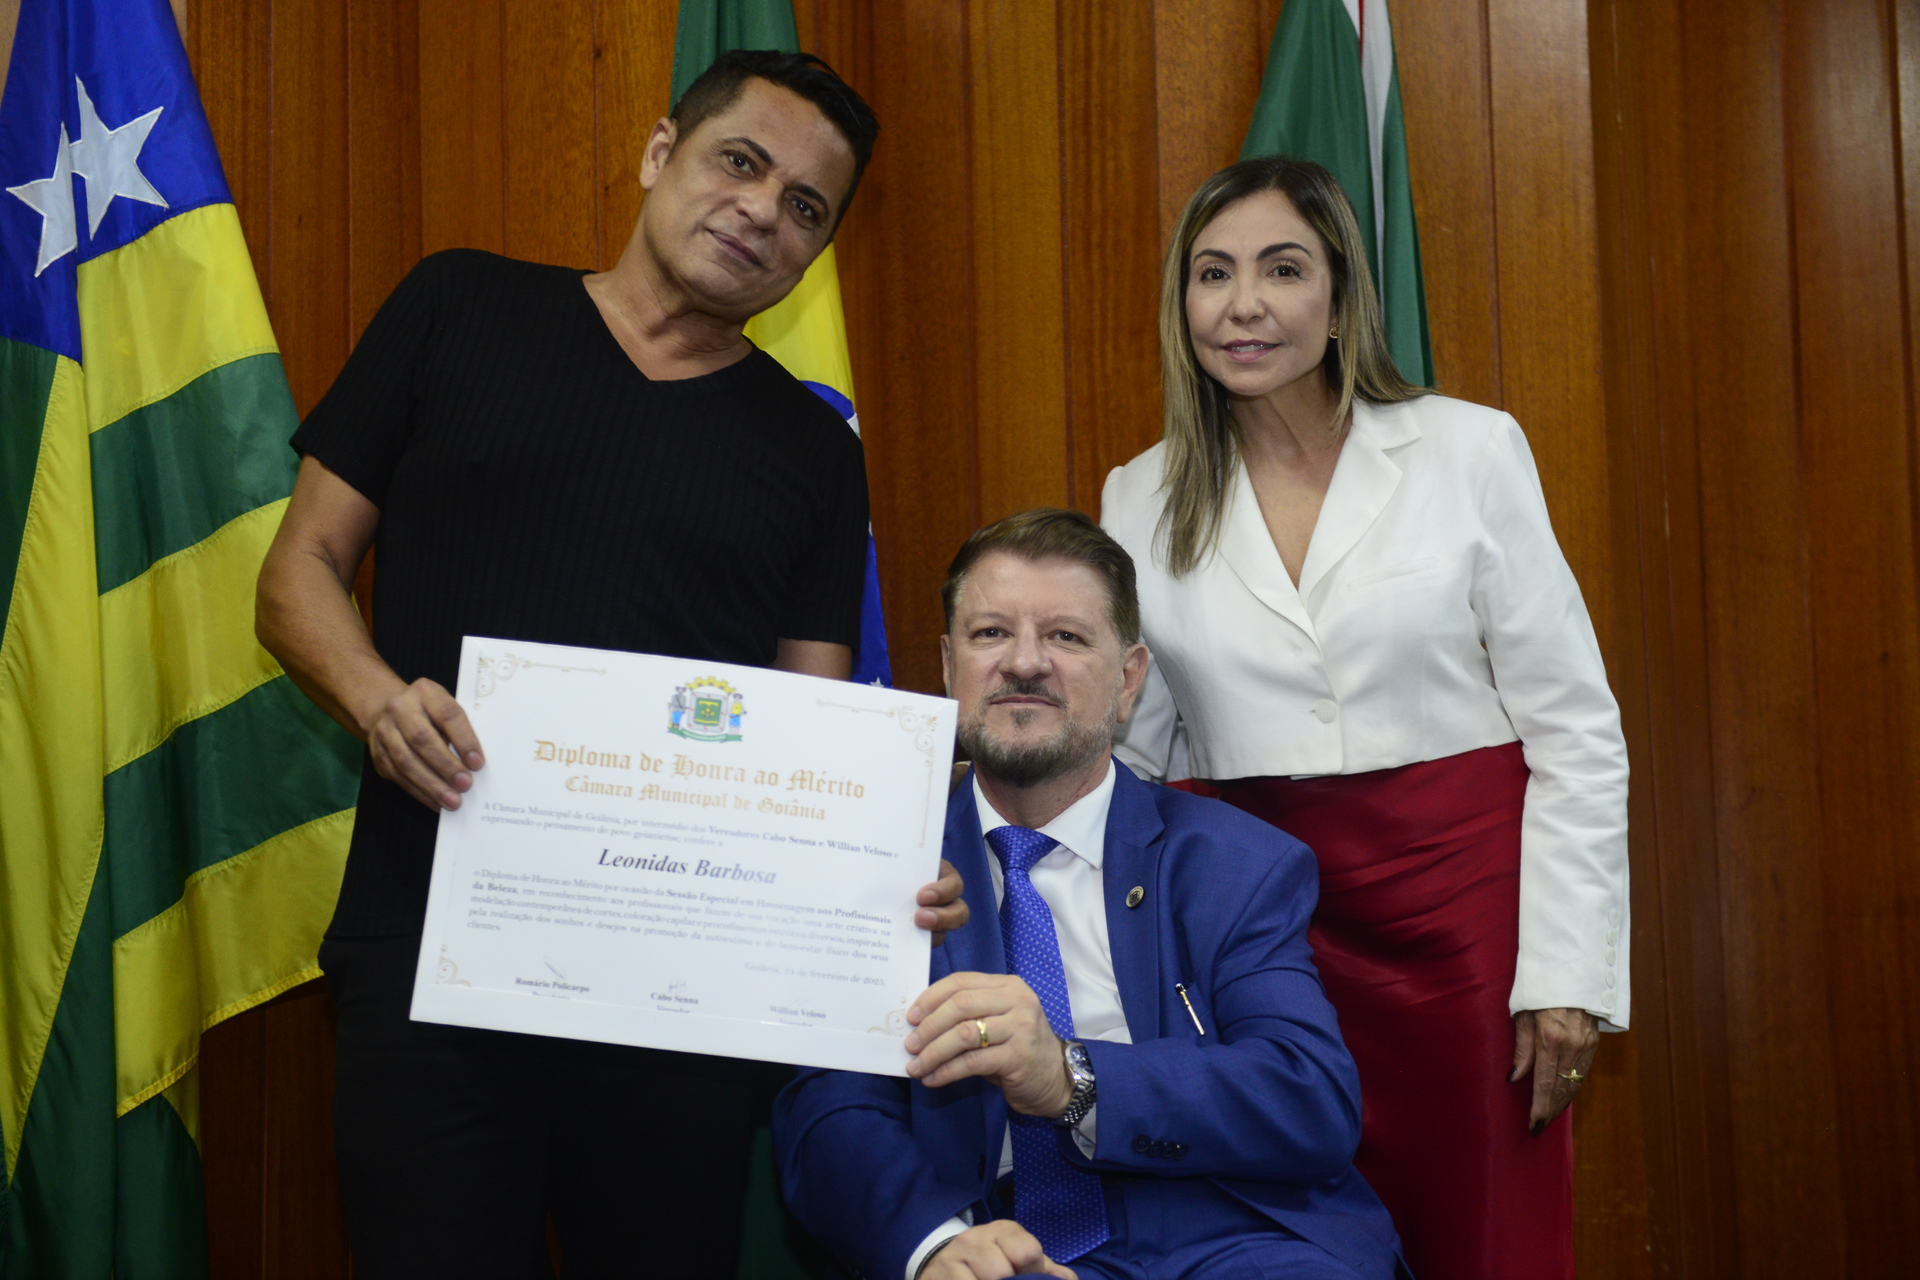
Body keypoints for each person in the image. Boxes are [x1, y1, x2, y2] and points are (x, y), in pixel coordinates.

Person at [255, 50, 967, 1278]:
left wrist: (876, 869)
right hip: (430, 942)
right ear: (658, 152)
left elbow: (805, 730)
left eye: (806, 205)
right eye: (740, 161)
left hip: (677, 996)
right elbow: (296, 570)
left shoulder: (813, 449)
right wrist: (379, 703)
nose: (763, 209)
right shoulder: (457, 305)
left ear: (816, 250)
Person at [1099, 156, 1630, 1280]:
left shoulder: (1469, 449)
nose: (1243, 304)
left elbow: (1576, 731)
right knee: (1289, 1238)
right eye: (1212, 273)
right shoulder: (1136, 494)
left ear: (1342, 297)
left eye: (1283, 270)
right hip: (1258, 937)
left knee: (1484, 1229)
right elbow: (1135, 756)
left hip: (1465, 921)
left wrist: (1566, 975)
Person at [774, 509, 1407, 1280]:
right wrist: (934, 1245)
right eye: (990, 634)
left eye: (1066, 637)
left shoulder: (1235, 863)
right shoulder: (876, 861)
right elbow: (830, 1109)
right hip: (996, 1240)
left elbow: (1308, 1098)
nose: (1024, 662)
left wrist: (1070, 1077)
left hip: (1230, 1230)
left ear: (1129, 679)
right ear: (947, 665)